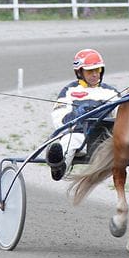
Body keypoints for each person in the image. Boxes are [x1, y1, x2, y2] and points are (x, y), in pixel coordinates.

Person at [46, 49, 118, 181]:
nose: (95, 74)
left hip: (104, 139)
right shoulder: (69, 91)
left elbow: (122, 115)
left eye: (98, 70)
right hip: (79, 136)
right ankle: (59, 168)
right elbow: (58, 117)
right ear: (79, 72)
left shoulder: (111, 92)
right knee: (69, 141)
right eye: (90, 71)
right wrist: (76, 116)